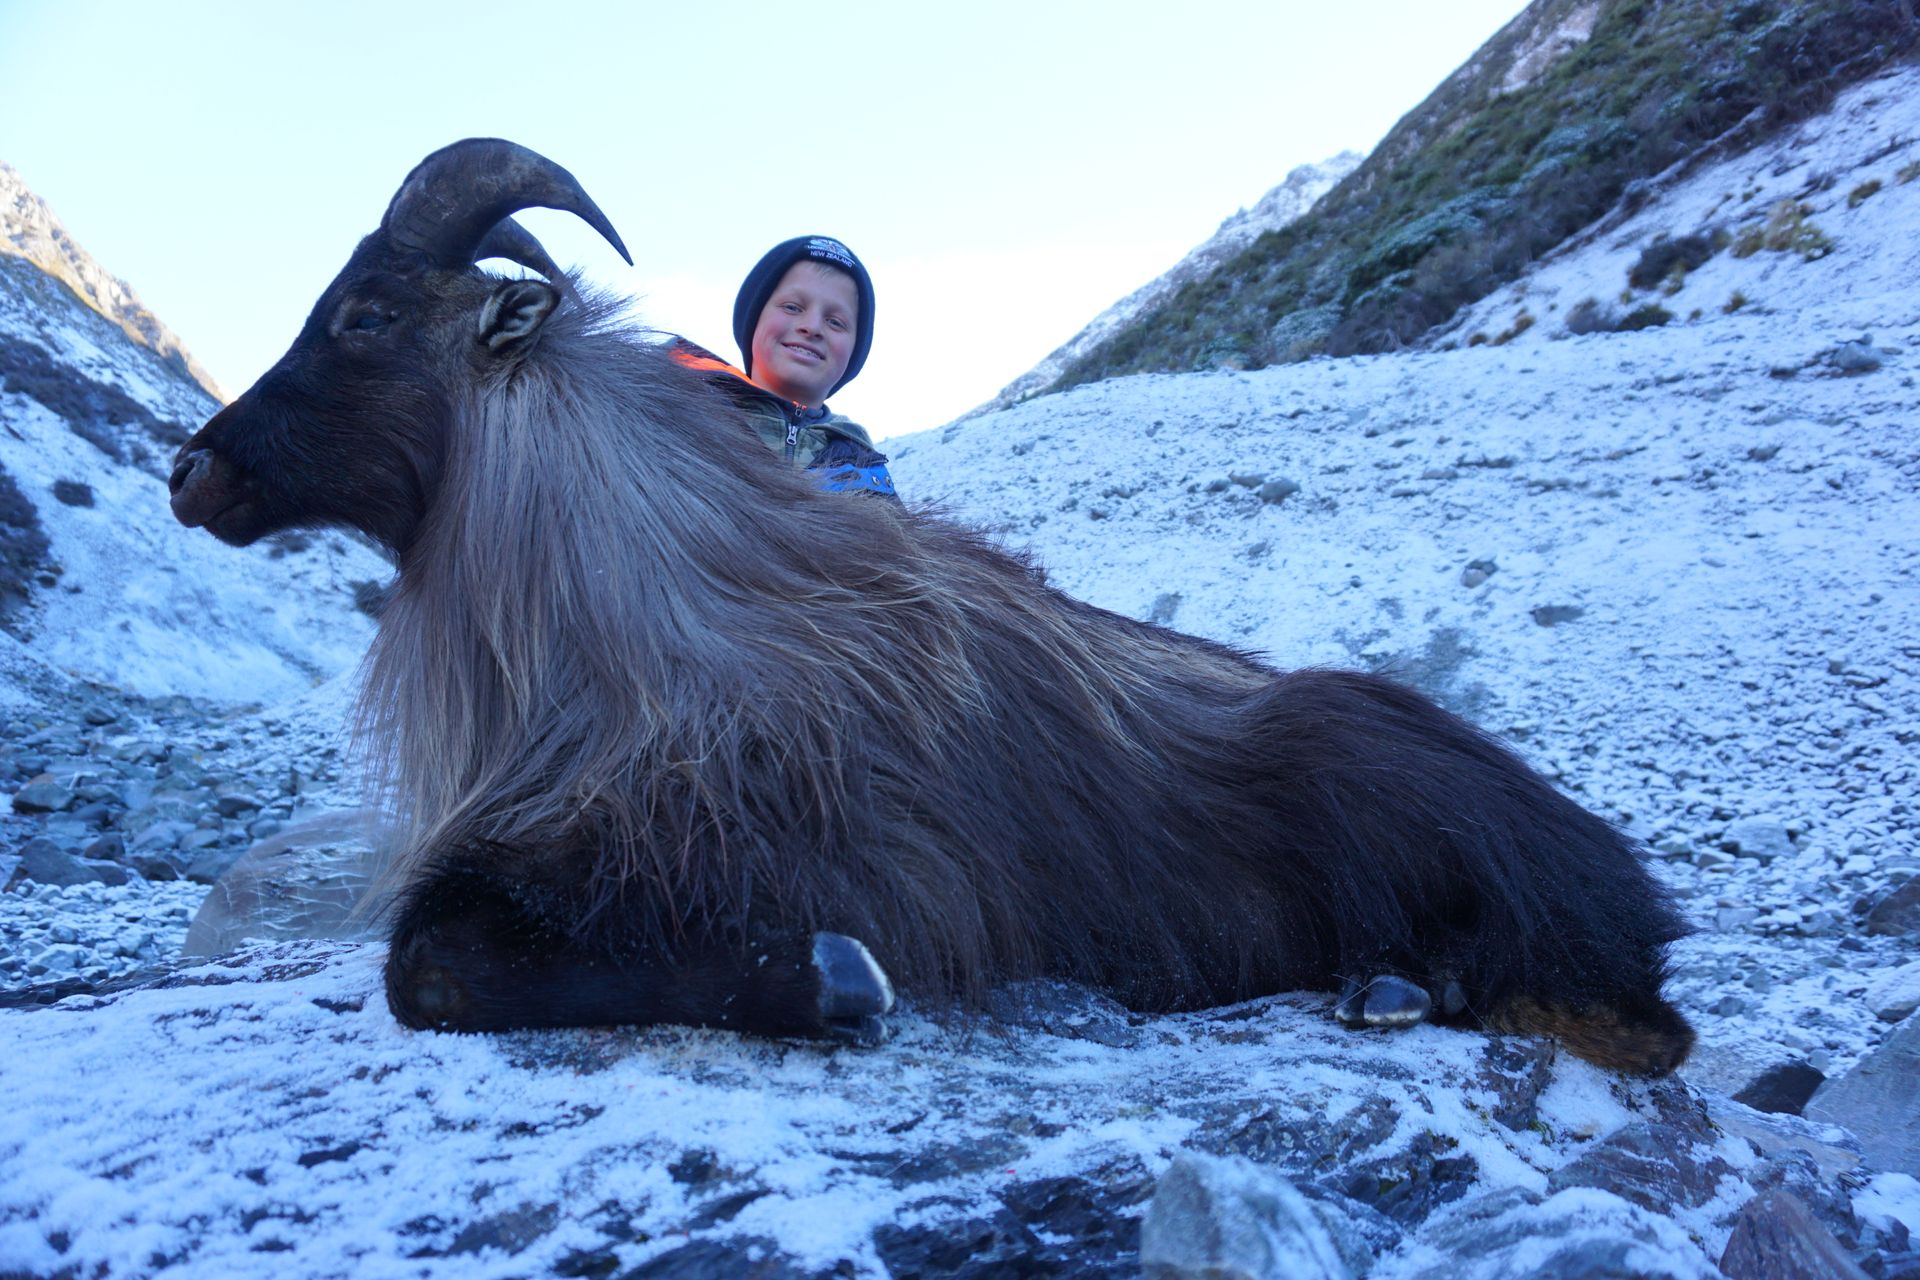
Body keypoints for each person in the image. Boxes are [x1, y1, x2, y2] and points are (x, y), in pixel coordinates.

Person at [673, 235, 898, 499]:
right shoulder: (679, 412)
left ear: (854, 351)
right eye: (792, 307)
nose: (812, 327)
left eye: (836, 322)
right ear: (754, 320)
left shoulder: (868, 472)